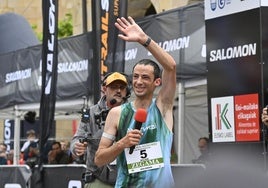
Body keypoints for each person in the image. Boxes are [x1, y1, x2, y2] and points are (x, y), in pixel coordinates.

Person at [94, 16, 177, 188]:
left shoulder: (163, 106)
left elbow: (170, 66)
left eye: (145, 77)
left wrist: (144, 40)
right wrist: (121, 144)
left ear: (157, 82)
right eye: (136, 77)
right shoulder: (117, 113)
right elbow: (99, 159)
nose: (139, 81)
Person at [70, 72, 130, 187]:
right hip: (98, 177)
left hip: (127, 178)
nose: (118, 90)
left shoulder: (134, 112)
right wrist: (76, 146)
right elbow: (77, 138)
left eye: (122, 87)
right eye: (113, 87)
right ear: (104, 89)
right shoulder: (88, 113)